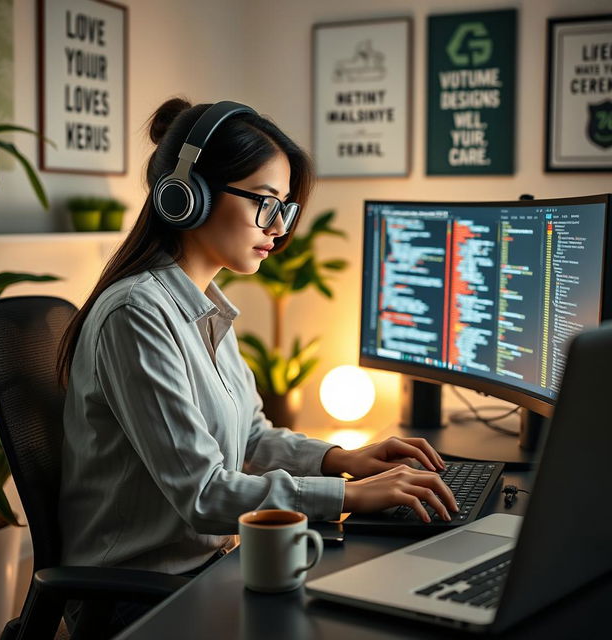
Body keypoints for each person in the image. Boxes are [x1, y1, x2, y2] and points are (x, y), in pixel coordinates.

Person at [57, 98, 458, 584]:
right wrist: (350, 495)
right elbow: (204, 494)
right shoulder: (136, 315)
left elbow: (250, 438)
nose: (278, 227)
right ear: (188, 194)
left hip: (205, 570)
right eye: (264, 202)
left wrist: (345, 460)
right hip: (135, 595)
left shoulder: (205, 307)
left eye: (284, 208)